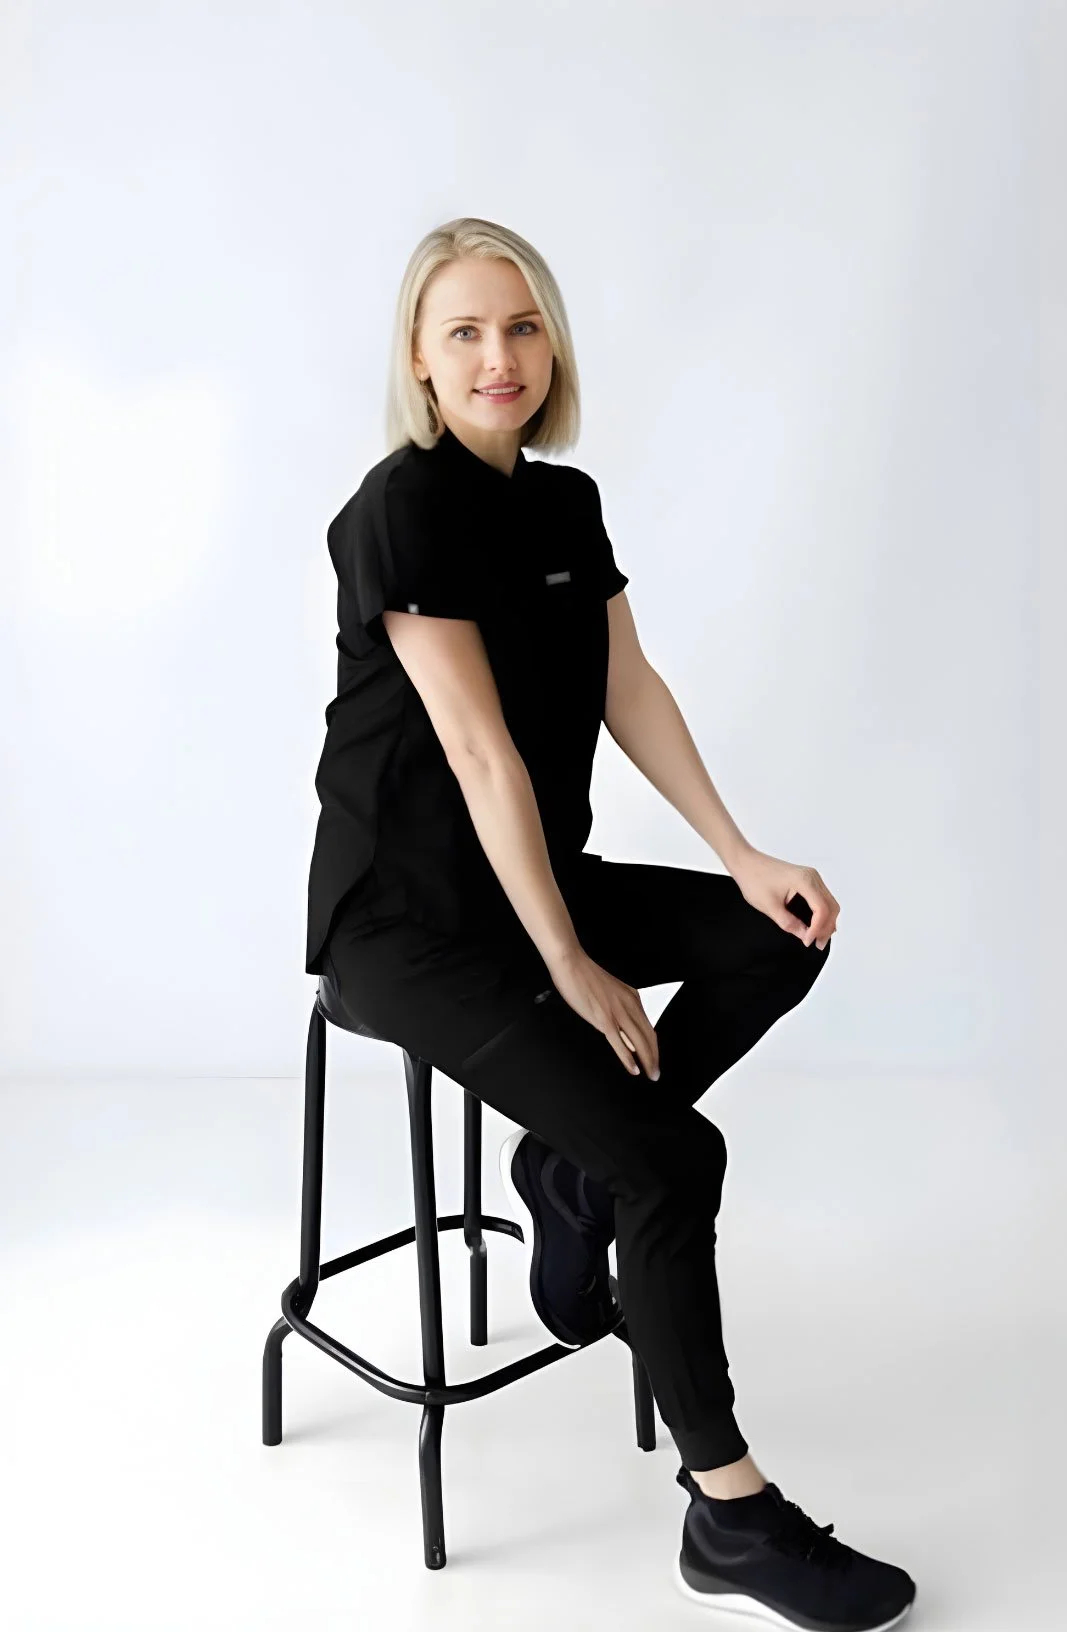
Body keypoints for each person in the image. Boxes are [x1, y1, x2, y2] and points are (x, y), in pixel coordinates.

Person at [305, 216, 916, 1629]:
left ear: (550, 345)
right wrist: (574, 967)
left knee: (777, 935)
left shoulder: (563, 508)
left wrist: (739, 850)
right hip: (409, 921)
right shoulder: (395, 511)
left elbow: (626, 687)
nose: (496, 356)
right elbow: (479, 755)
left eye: (519, 327)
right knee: (669, 1153)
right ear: (417, 355)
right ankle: (732, 1513)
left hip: (532, 882)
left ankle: (569, 1176)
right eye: (462, 330)